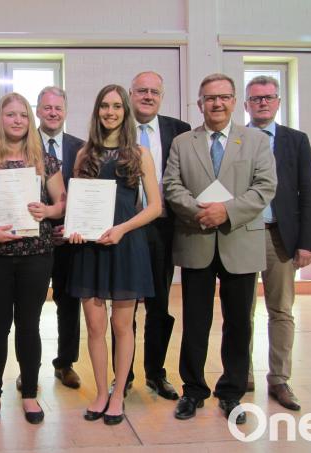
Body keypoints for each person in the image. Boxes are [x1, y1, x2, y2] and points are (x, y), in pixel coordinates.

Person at [164, 73, 276, 425]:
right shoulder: (184, 142)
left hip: (239, 241)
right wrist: (202, 211)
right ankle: (193, 391)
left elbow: (264, 187)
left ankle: (231, 393)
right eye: (210, 98)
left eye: (224, 97)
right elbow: (171, 185)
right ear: (200, 104)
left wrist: (225, 211)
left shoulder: (255, 140)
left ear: (233, 101)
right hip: (196, 239)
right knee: (195, 321)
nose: (217, 103)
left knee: (239, 323)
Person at [0, 92, 66, 425]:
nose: (17, 120)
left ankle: (31, 394)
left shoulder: (45, 160)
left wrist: (48, 210)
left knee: (29, 326)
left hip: (36, 254)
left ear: (29, 119)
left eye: (22, 114)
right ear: (0, 119)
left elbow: (62, 203)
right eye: (10, 114)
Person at [68, 84, 161, 425]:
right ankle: (99, 393)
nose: (110, 112)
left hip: (125, 245)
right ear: (97, 111)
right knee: (94, 326)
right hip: (90, 249)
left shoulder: (139, 152)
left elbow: (155, 207)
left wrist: (122, 229)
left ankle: (118, 393)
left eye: (117, 106)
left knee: (122, 326)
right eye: (104, 106)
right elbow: (77, 203)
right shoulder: (83, 154)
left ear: (126, 112)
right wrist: (75, 228)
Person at [110, 71, 191, 399]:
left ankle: (156, 373)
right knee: (123, 303)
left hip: (162, 227)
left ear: (162, 95)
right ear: (130, 94)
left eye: (153, 91)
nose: (147, 96)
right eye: (141, 90)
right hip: (124, 227)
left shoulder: (179, 131)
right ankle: (123, 374)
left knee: (159, 303)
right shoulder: (115, 127)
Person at [244, 75, 311, 411]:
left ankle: (280, 379)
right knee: (240, 310)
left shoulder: (295, 140)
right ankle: (241, 372)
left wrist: (308, 242)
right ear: (246, 104)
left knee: (281, 310)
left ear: (277, 102)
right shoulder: (235, 139)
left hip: (280, 236)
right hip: (242, 234)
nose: (262, 102)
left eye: (269, 97)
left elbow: (309, 193)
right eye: (256, 98)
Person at [21, 86, 85, 390]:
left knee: (69, 304)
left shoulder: (82, 148)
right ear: (38, 110)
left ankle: (65, 363)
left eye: (58, 108)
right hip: (32, 239)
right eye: (47, 107)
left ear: (66, 111)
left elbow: (87, 194)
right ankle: (27, 366)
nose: (52, 112)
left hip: (71, 239)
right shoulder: (20, 144)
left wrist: (70, 225)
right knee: (28, 306)